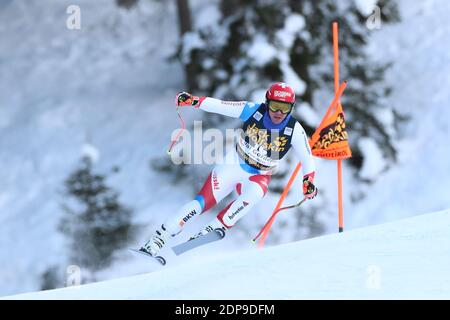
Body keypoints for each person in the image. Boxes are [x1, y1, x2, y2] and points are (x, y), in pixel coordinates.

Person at [140, 82, 317, 257]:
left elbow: (307, 157)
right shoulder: (253, 110)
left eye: (284, 108)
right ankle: (157, 240)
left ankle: (216, 227)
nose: (278, 113)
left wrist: (308, 182)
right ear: (267, 103)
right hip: (233, 164)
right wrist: (193, 100)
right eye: (275, 106)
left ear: (291, 108)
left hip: (259, 174)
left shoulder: (294, 130)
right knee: (200, 203)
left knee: (256, 193)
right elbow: (220, 105)